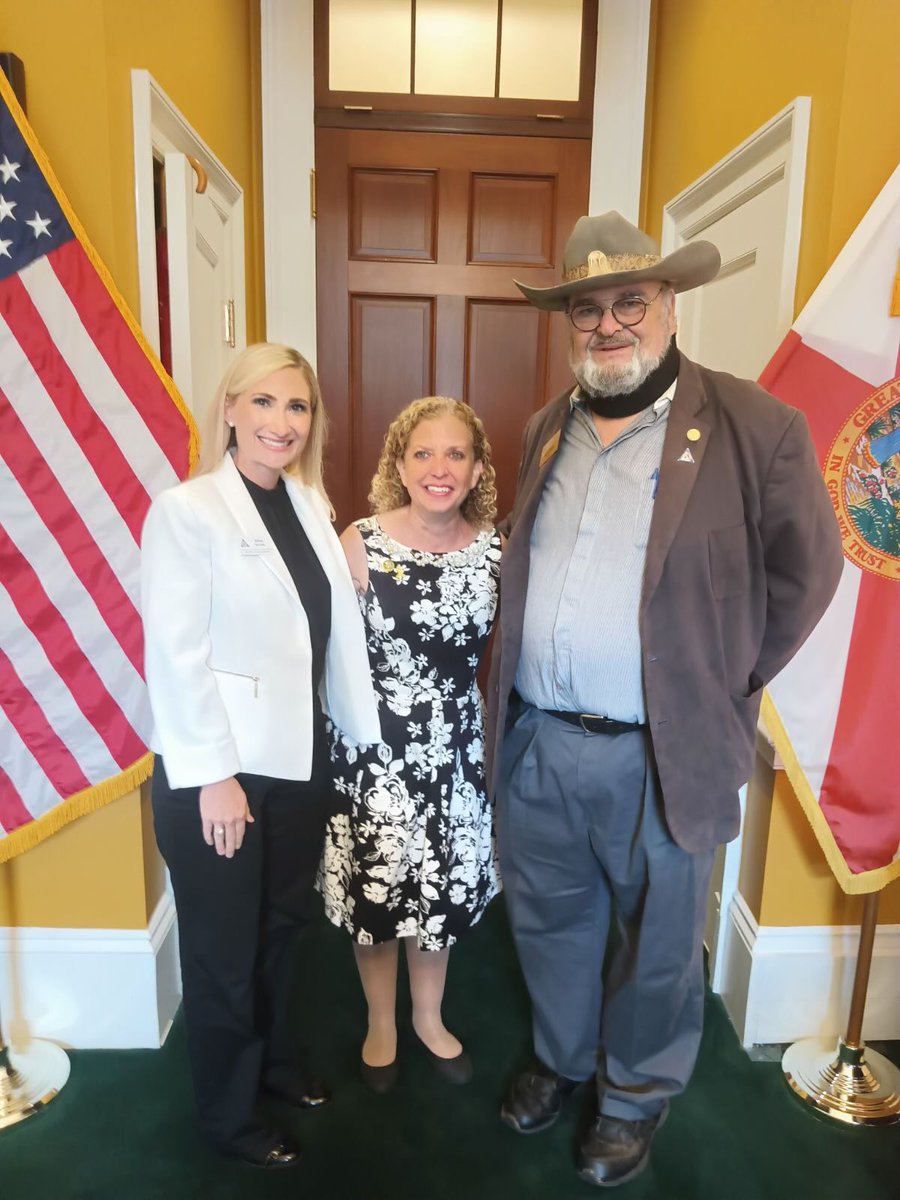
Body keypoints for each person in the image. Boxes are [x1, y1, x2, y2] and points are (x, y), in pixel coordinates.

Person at [486, 213, 844, 1188]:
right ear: (568, 322)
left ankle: (634, 1095)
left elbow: (807, 578)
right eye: (587, 308)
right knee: (550, 923)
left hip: (664, 750)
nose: (608, 325)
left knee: (657, 951)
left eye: (628, 302)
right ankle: (563, 1059)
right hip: (541, 747)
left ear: (668, 304)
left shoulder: (754, 425)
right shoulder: (543, 429)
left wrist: (717, 686)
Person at [141, 343, 380, 1168]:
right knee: (225, 954)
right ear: (232, 411)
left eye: (299, 407)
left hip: (300, 764)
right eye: (267, 403)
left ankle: (276, 1066)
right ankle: (230, 1116)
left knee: (283, 930)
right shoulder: (189, 510)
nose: (283, 422)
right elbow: (176, 655)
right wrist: (213, 776)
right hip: (220, 777)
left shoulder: (310, 505)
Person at [320, 396, 502, 1092]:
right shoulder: (359, 541)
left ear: (477, 467)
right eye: (423, 452)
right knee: (381, 892)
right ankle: (382, 1024)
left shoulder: (494, 546)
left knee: (441, 895)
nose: (439, 467)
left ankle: (427, 1016)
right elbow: (327, 651)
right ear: (400, 464)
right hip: (376, 751)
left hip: (457, 746)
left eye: (456, 453)